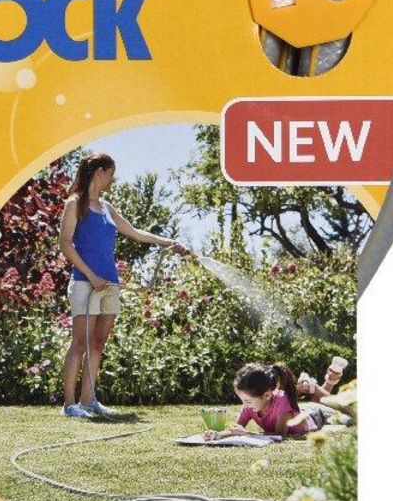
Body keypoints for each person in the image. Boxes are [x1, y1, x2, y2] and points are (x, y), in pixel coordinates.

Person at [59, 152, 191, 418]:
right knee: (80, 343)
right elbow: (65, 244)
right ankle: (70, 405)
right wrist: (91, 276)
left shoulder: (107, 207)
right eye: (111, 174)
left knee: (98, 343)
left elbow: (136, 234)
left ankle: (88, 400)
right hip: (85, 282)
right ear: (100, 172)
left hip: (110, 284)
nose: (113, 179)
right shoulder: (75, 203)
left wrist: (168, 242)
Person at [205, 361, 317, 439]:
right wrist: (218, 434)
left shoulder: (282, 400)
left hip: (315, 415)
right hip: (305, 409)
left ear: (267, 396)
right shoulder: (249, 406)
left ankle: (311, 384)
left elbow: (280, 434)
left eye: (248, 401)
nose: (245, 405)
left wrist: (248, 434)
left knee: (324, 403)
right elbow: (237, 429)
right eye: (243, 401)